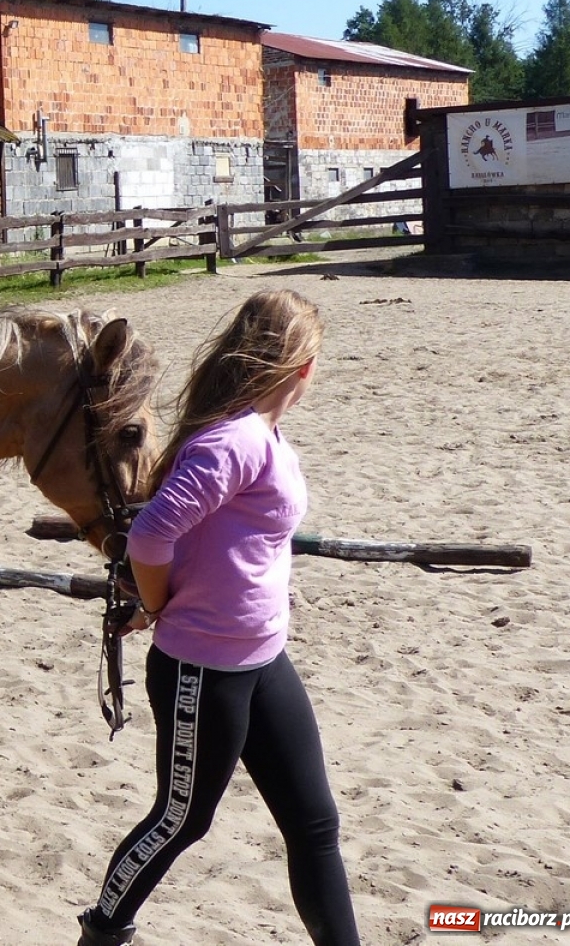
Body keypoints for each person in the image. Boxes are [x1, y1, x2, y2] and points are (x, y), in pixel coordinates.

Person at [77, 289, 358, 946]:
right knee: (180, 819)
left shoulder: (262, 430)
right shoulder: (232, 441)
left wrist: (166, 594)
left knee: (314, 823)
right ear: (304, 367)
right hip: (203, 671)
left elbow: (214, 540)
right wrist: (154, 604)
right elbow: (149, 538)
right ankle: (103, 931)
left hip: (262, 660)